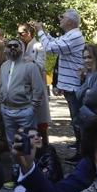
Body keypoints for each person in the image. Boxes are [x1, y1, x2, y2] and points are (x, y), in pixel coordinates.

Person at [34, 10, 84, 154]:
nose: (60, 19)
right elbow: (55, 43)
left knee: (77, 120)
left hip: (74, 87)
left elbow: (50, 49)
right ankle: (79, 146)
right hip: (70, 86)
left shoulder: (75, 36)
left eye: (63, 17)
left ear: (71, 21)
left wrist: (40, 31)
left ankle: (82, 152)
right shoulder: (70, 36)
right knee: (75, 119)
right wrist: (44, 32)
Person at [0, 38, 44, 154]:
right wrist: (1, 101)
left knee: (27, 142)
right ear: (5, 49)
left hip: (25, 111)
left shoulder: (30, 66)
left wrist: (33, 108)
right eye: (9, 46)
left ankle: (28, 168)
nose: (12, 48)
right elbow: (1, 84)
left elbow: (38, 88)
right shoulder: (4, 66)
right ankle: (16, 167)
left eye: (15, 46)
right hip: (7, 110)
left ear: (21, 49)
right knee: (11, 142)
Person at [16, 22, 50, 145]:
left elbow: (41, 66)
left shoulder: (39, 45)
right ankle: (27, 149)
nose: (19, 36)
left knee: (41, 120)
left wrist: (32, 61)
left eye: (21, 33)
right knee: (24, 121)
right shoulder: (18, 46)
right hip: (23, 88)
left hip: (36, 86)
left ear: (29, 33)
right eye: (18, 33)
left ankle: (45, 150)